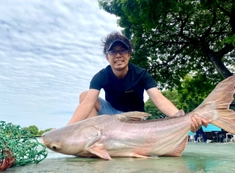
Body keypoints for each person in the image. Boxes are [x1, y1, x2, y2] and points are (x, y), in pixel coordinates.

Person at [67, 32, 208, 132]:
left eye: (122, 50)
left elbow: (159, 99)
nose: (118, 56)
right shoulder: (101, 76)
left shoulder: (141, 74)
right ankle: (95, 137)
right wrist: (67, 129)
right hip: (112, 116)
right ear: (107, 57)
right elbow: (87, 103)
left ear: (129, 54)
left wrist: (185, 119)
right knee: (85, 95)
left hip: (135, 118)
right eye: (113, 52)